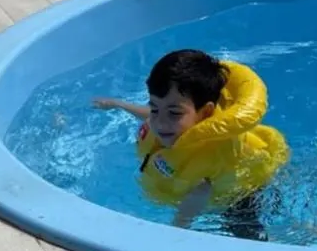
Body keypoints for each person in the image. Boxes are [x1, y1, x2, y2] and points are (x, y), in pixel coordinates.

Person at [92, 48, 288, 238]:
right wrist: (119, 104)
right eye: (155, 108)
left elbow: (187, 212)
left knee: (244, 230)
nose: (159, 122)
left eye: (174, 113)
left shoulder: (206, 167)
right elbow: (150, 116)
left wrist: (174, 234)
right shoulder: (169, 122)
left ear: (206, 113)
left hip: (242, 194)